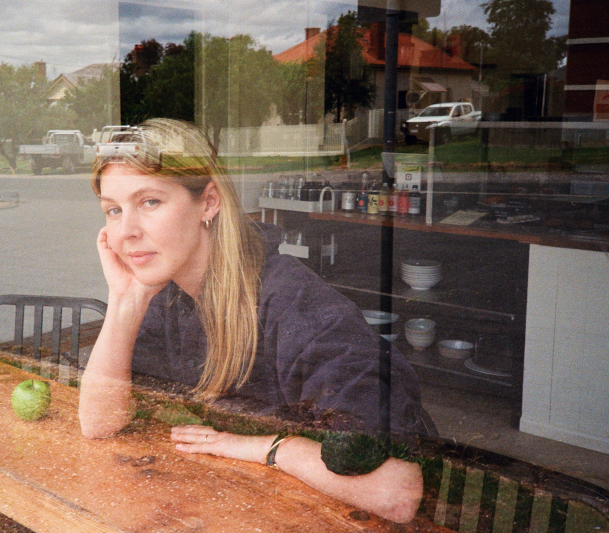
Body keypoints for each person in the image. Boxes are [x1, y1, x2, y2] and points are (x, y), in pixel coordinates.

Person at [78, 119, 425, 523]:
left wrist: (268, 447)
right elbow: (99, 423)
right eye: (113, 211)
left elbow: (395, 491)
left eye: (149, 202)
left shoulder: (290, 301)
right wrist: (125, 298)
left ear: (208, 203)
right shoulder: (167, 295)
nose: (126, 232)